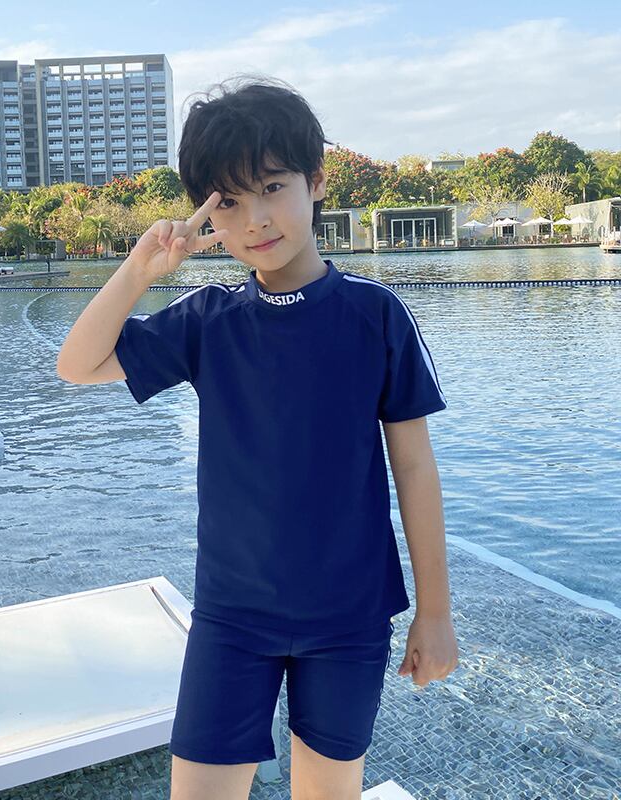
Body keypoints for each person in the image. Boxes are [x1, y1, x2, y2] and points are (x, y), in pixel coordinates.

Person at [56, 75, 459, 800]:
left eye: (273, 187)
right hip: (233, 617)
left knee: (328, 790)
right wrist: (140, 269)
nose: (255, 220)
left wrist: (435, 615)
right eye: (230, 202)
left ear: (316, 181)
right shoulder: (207, 319)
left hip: (349, 616)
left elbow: (415, 469)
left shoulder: (374, 314)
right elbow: (77, 364)